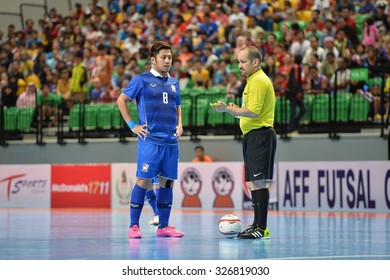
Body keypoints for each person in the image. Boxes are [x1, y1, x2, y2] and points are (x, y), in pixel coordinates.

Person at [116, 41, 184, 239]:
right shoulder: (141, 80)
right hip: (150, 140)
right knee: (143, 180)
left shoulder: (174, 83)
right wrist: (132, 125)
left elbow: (177, 105)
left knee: (167, 183)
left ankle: (164, 226)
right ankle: (133, 226)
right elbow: (121, 100)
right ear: (153, 60)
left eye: (169, 57)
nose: (167, 60)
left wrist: (180, 124)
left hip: (171, 142)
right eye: (163, 57)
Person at [210, 46, 276, 239]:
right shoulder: (251, 81)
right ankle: (256, 225)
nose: (239, 65)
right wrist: (235, 109)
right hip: (251, 135)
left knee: (259, 181)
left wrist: (230, 110)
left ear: (255, 62)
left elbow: (253, 112)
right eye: (238, 61)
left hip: (260, 134)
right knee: (253, 183)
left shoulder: (258, 81)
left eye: (243, 62)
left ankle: (262, 228)